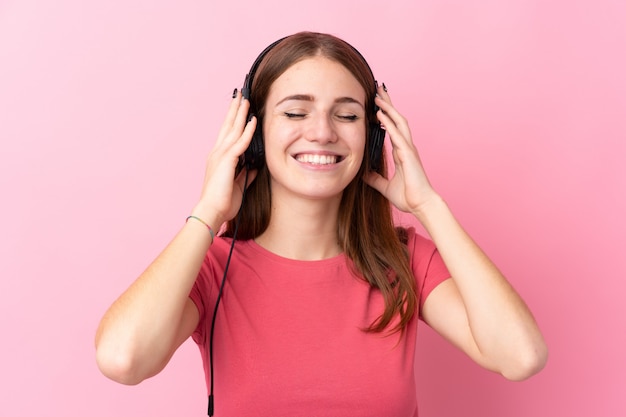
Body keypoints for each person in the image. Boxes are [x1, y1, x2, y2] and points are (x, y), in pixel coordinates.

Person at [95, 31, 548, 416]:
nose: (323, 132)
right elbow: (122, 359)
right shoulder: (209, 267)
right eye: (295, 112)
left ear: (371, 137)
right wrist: (208, 214)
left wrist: (428, 204)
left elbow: (521, 356)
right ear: (252, 134)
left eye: (347, 115)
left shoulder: (404, 260)